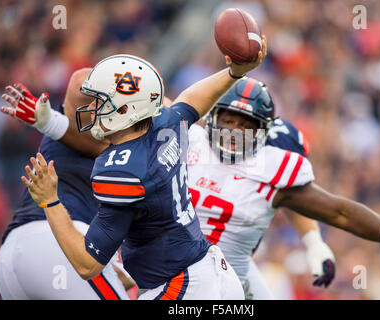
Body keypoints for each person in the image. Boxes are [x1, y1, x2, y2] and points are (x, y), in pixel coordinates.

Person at [18, 41, 268, 299]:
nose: (91, 108)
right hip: (207, 274)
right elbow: (192, 101)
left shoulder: (122, 171)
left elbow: (87, 264)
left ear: (125, 110)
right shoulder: (164, 123)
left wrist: (50, 201)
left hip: (185, 286)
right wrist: (233, 73)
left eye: (100, 102)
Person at [186, 77, 380, 298]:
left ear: (264, 135)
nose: (234, 133)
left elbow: (335, 210)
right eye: (228, 121)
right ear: (212, 117)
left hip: (223, 276)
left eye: (245, 126)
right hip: (168, 268)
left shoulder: (272, 170)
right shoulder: (188, 142)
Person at [0, 70, 130, 299]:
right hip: (59, 243)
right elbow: (81, 81)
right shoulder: (65, 125)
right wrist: (51, 123)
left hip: (14, 257)